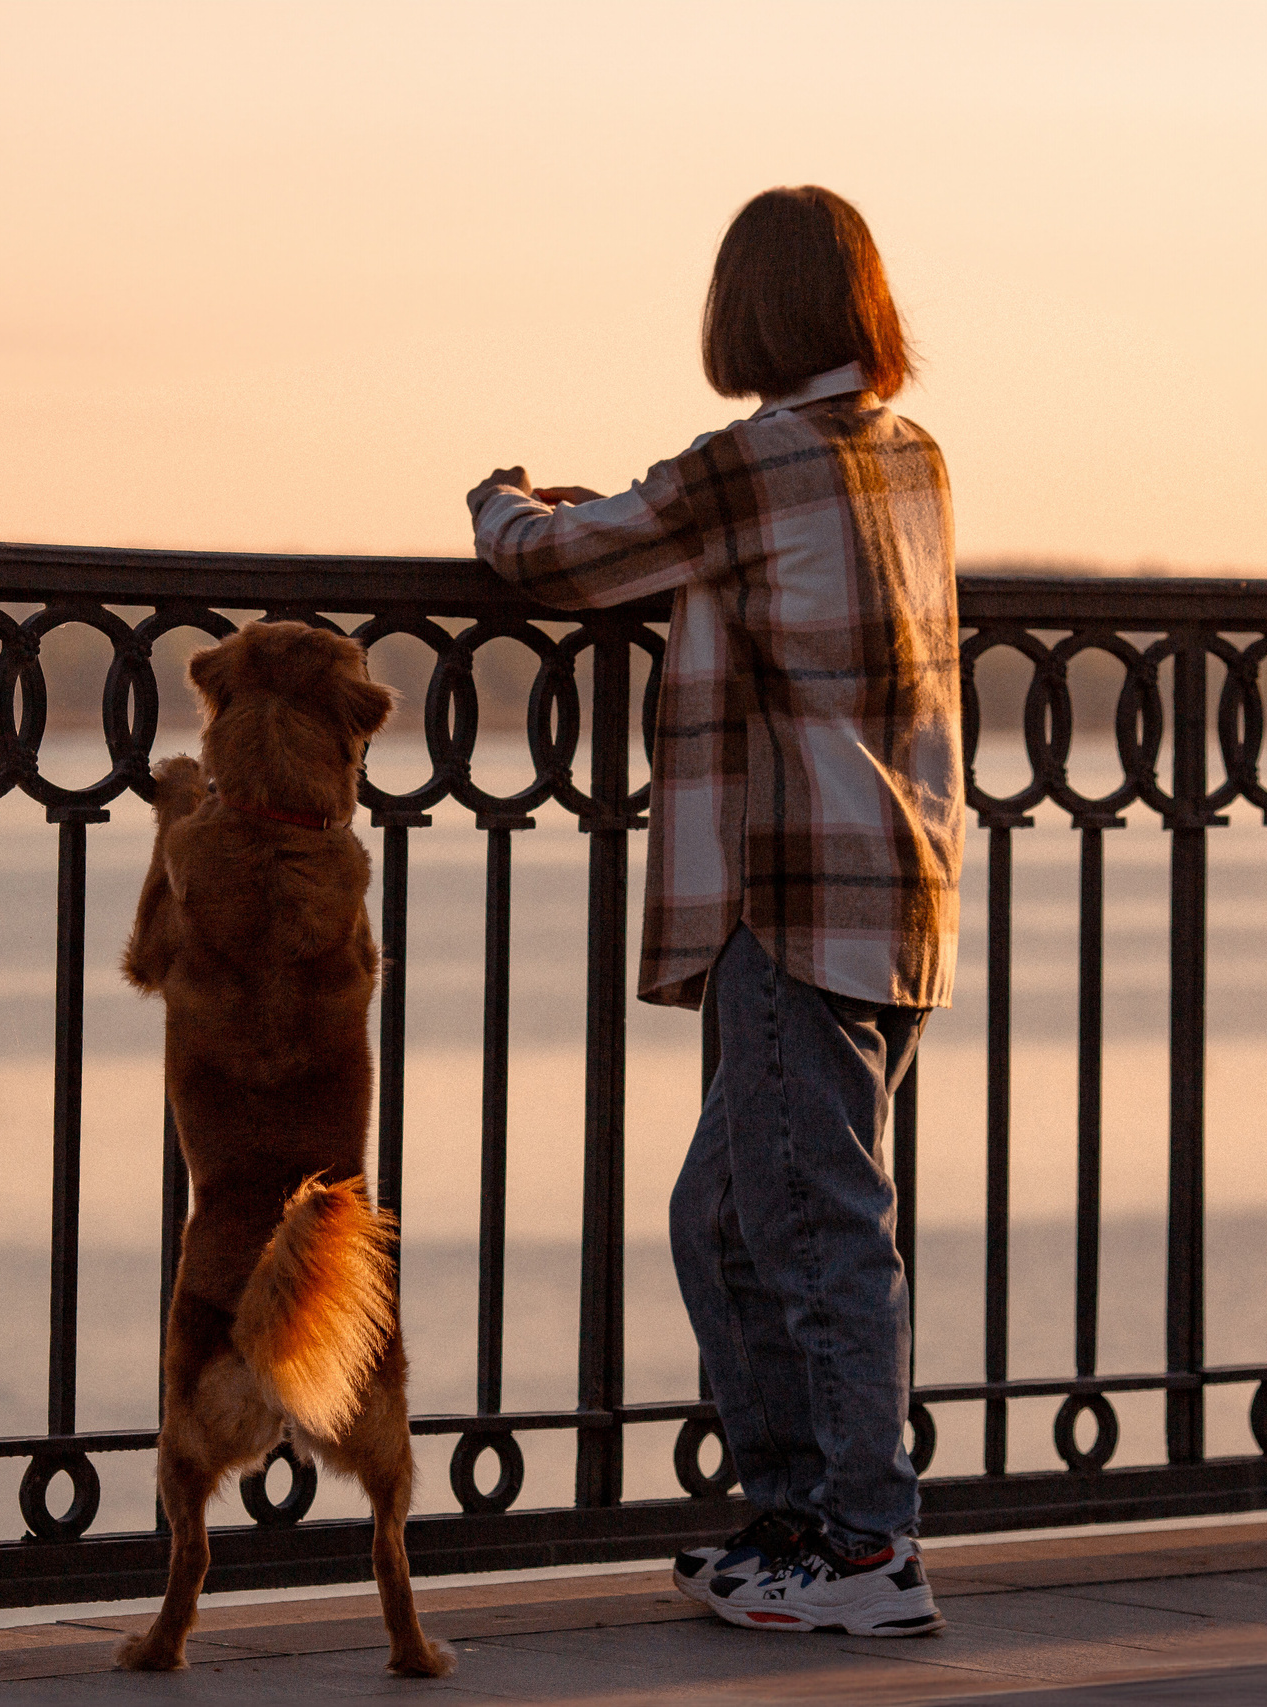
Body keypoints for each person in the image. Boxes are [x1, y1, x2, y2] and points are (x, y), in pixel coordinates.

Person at [465, 185, 962, 1638]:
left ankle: (872, 1548)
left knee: (814, 1224)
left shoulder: (750, 464)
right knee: (735, 1218)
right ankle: (803, 1516)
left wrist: (502, 496)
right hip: (901, 888)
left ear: (745, 315)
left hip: (796, 896)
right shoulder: (913, 456)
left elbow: (559, 562)